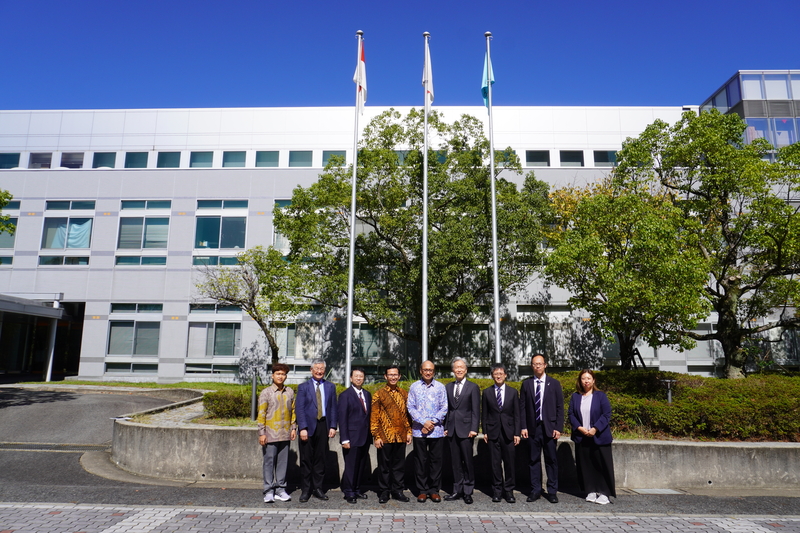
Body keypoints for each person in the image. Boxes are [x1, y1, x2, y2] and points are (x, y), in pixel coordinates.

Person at [568, 369, 616, 505]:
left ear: (593, 380)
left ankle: (605, 493)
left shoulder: (600, 396)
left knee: (602, 464)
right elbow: (571, 414)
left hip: (599, 437)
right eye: (583, 378)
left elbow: (606, 414)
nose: (586, 381)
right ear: (580, 381)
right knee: (586, 464)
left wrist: (595, 428)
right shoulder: (576, 396)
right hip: (582, 436)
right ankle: (590, 490)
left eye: (589, 378)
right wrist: (579, 428)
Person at [520, 353, 564, 503]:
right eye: (534, 364)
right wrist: (523, 426)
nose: (537, 366)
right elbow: (522, 407)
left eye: (540, 363)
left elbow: (560, 407)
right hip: (532, 428)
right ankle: (535, 490)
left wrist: (558, 427)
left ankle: (552, 491)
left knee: (551, 460)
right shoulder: (526, 384)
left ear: (545, 365)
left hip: (550, 428)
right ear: (532, 366)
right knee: (533, 460)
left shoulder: (554, 383)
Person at [295, 358, 338, 502]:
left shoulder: (330, 387)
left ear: (324, 370)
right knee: (306, 460)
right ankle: (306, 490)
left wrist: (333, 426)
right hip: (308, 427)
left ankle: (318, 488)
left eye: (322, 368)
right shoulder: (303, 387)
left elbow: (333, 408)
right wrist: (303, 428)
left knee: (320, 459)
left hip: (323, 426)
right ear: (311, 370)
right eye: (316, 368)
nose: (319, 371)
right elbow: (299, 409)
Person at [407, 360, 448, 503]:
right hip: (419, 430)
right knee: (420, 461)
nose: (428, 372)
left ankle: (434, 490)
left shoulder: (440, 387)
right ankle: (422, 490)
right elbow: (410, 407)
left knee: (436, 461)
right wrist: (423, 422)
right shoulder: (414, 387)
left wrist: (432, 422)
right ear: (420, 371)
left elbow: (444, 407)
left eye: (430, 370)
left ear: (434, 371)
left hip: (436, 431)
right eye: (425, 369)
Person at [370, 365, 412, 504]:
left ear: (399, 376)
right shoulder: (379, 394)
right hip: (384, 436)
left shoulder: (404, 394)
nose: (393, 377)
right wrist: (376, 435)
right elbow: (374, 417)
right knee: (384, 466)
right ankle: (384, 491)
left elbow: (407, 416)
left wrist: (409, 432)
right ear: (385, 376)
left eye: (395, 375)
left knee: (399, 466)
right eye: (390, 375)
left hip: (400, 435)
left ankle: (397, 491)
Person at [257, 363, 296, 504]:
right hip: (270, 434)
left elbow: (293, 412)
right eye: (278, 374)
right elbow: (261, 414)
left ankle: (280, 489)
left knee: (282, 463)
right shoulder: (266, 393)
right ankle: (268, 490)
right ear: (272, 375)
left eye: (283, 374)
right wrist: (262, 433)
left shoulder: (290, 392)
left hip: (285, 433)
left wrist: (293, 428)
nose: (281, 376)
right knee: (269, 462)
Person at [481, 363, 521, 503]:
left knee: (510, 463)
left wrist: (517, 433)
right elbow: (484, 414)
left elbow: (517, 414)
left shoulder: (512, 392)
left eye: (501, 373)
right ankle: (497, 491)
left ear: (505, 375)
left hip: (509, 433)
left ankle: (509, 491)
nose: (498, 376)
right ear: (492, 376)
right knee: (495, 463)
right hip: (493, 432)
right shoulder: (487, 392)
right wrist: (485, 431)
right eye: (495, 374)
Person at [444, 357, 480, 504]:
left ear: (466, 370)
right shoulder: (448, 387)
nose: (459, 369)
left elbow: (475, 410)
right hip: (452, 429)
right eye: (456, 367)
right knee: (455, 462)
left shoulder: (473, 387)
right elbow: (447, 410)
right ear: (453, 370)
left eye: (461, 367)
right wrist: (446, 427)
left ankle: (468, 490)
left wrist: (474, 428)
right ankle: (457, 489)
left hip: (466, 430)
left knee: (467, 460)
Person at [337, 367, 372, 504]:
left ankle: (357, 489)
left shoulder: (367, 394)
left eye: (361, 376)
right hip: (351, 438)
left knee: (361, 465)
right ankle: (349, 492)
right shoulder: (345, 395)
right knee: (351, 466)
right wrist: (344, 438)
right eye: (356, 376)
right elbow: (343, 418)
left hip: (364, 437)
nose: (359, 378)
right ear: (351, 378)